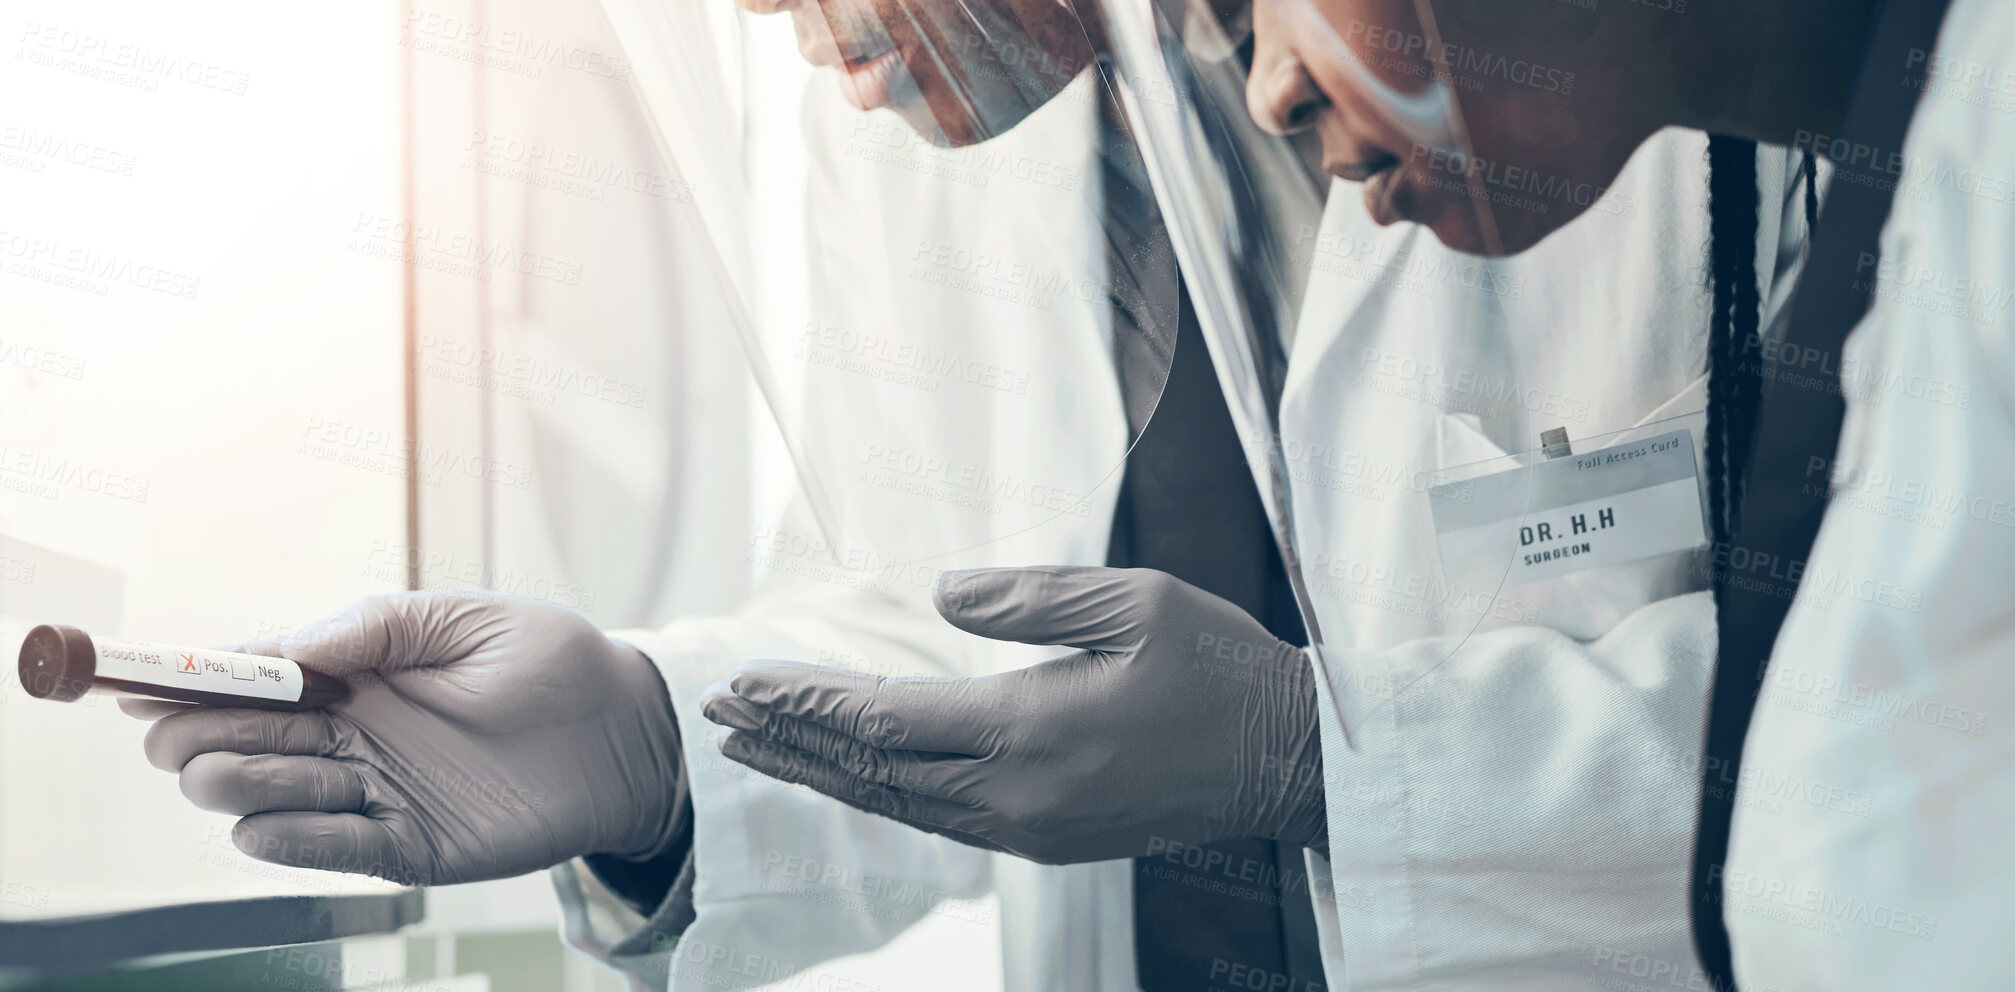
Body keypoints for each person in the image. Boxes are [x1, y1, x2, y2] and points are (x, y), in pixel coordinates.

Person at [724, 0, 2015, 989]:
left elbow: (1856, 734)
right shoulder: (908, 145)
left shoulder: (1819, 108)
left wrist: (1327, 761)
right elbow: (931, 623)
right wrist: (659, 753)